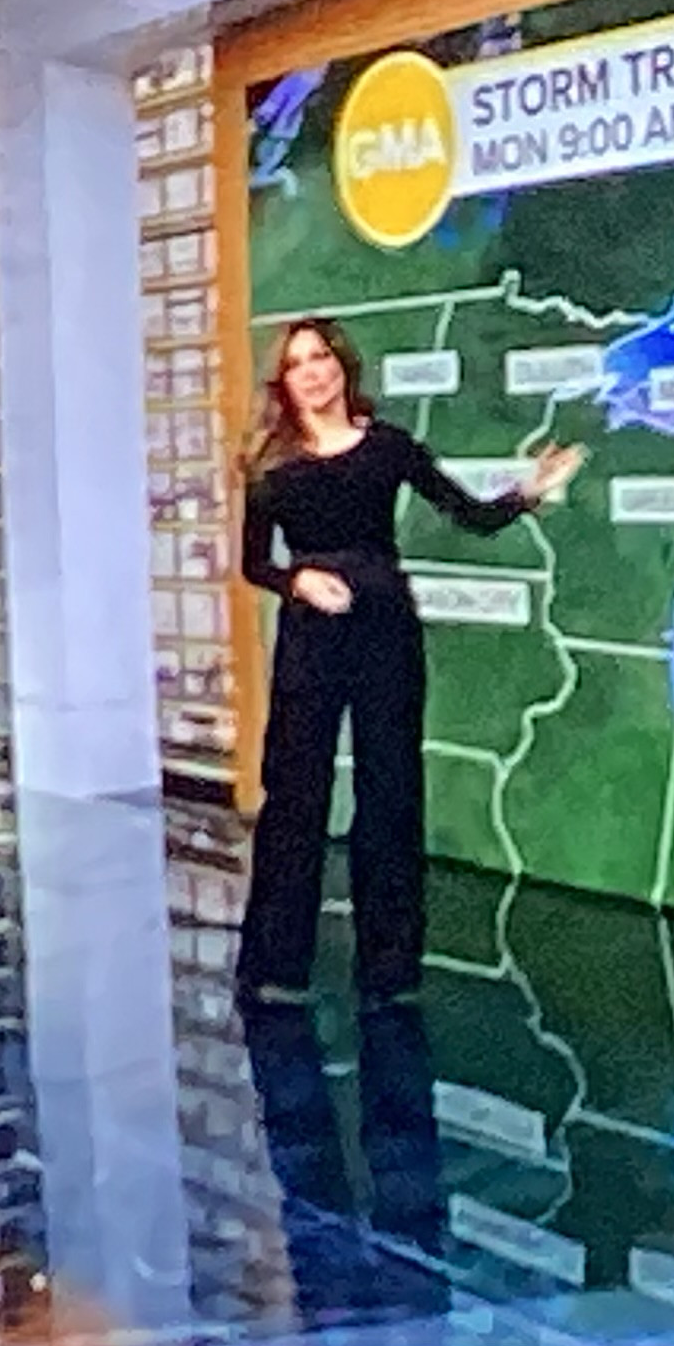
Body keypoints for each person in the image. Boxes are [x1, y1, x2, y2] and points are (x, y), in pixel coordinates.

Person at [233, 315, 582, 1007]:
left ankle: (388, 972)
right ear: (285, 382)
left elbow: (471, 514)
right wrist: (297, 580)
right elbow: (253, 564)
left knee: (390, 794)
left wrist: (530, 492)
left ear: (342, 366)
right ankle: (275, 965)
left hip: (385, 632)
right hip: (310, 636)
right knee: (295, 794)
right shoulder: (272, 466)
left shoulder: (388, 447)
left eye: (321, 357)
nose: (312, 371)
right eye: (298, 363)